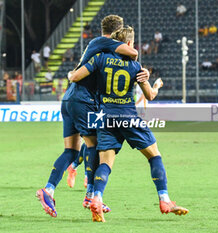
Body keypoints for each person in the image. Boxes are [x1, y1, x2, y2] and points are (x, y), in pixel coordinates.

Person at [69, 26, 189, 222]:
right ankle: (165, 199)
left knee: (106, 163)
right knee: (154, 155)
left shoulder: (99, 59)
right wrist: (156, 85)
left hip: (105, 118)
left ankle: (97, 198)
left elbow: (74, 77)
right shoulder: (135, 67)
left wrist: (81, 76)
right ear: (130, 43)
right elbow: (149, 96)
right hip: (128, 116)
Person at [35, 14, 148, 218]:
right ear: (117, 31)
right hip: (84, 100)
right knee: (96, 144)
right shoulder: (106, 42)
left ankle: (48, 190)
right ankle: (91, 195)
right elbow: (134, 52)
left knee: (71, 150)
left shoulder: (99, 47)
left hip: (70, 99)